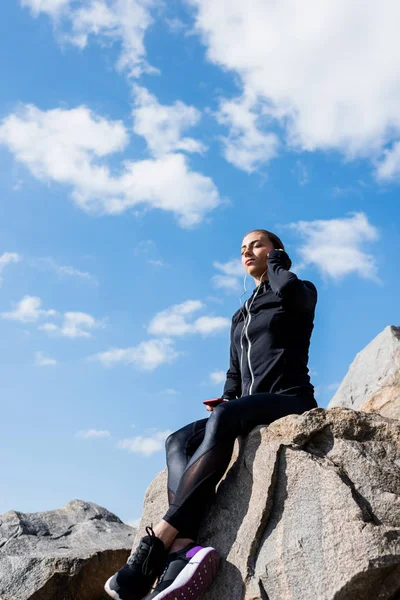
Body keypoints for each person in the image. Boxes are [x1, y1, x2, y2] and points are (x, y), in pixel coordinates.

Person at [104, 229, 318, 600]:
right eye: (242, 250)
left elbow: (292, 295)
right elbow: (234, 375)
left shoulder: (298, 290)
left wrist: (280, 265)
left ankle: (161, 541)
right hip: (247, 407)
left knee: (223, 420)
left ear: (276, 251)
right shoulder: (241, 314)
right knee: (178, 439)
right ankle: (182, 545)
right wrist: (226, 400)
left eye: (257, 245)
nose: (247, 252)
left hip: (290, 399)